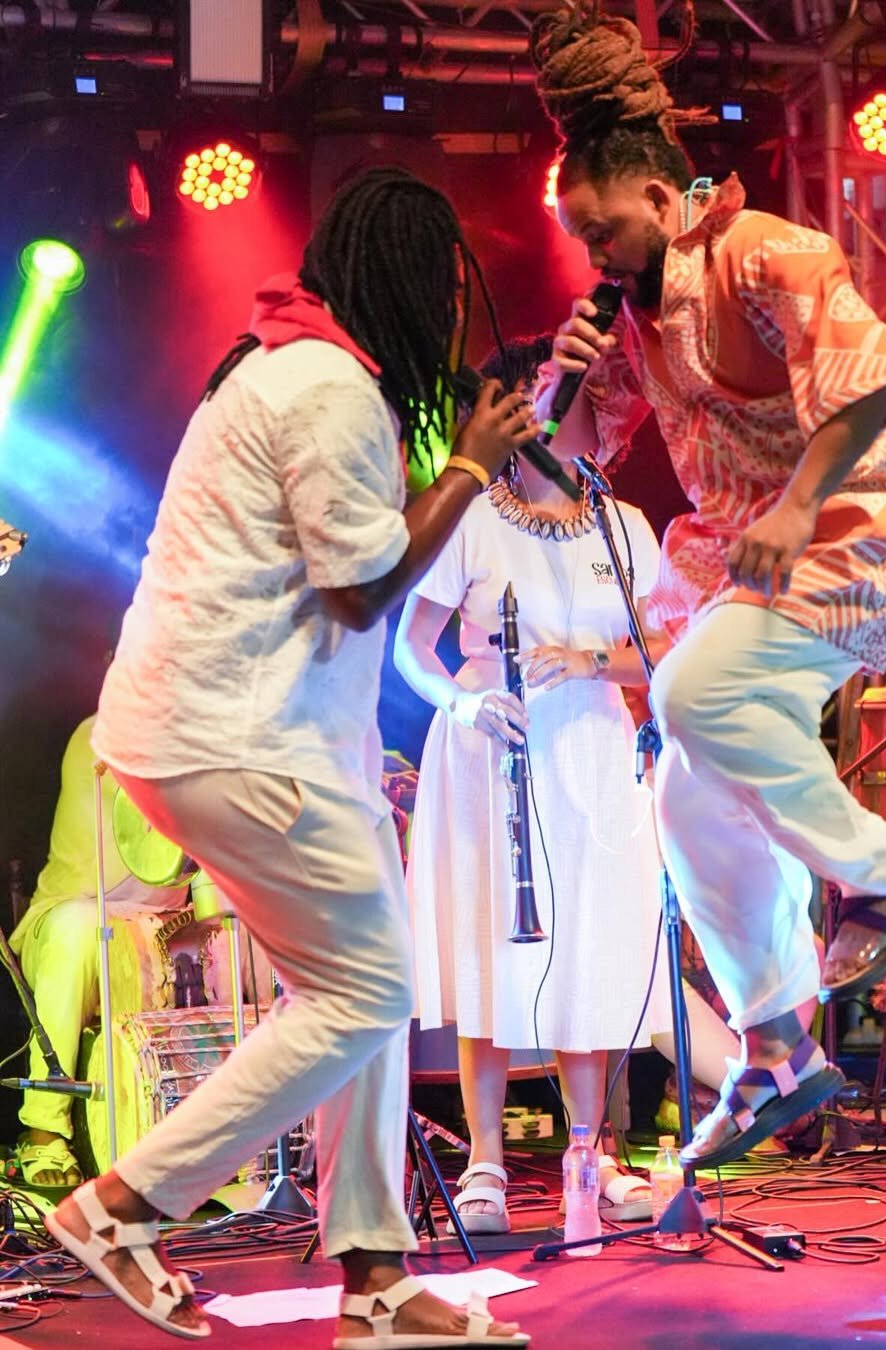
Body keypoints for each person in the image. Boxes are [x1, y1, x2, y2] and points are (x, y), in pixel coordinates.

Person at [44, 168, 533, 1347]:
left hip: (249, 731)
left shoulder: (295, 366)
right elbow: (363, 587)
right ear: (404, 283)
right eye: (444, 291)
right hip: (235, 735)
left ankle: (375, 1283)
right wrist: (468, 467)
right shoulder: (325, 388)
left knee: (360, 986)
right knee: (369, 989)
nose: (450, 318)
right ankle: (123, 1206)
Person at [527, 1, 886, 1170]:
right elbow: (567, 461)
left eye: (602, 228)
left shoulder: (765, 249)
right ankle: (777, 1050)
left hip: (859, 528)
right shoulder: (631, 319)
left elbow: (877, 381)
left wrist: (799, 504)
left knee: (690, 692)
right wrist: (562, 380)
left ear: (658, 198)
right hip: (757, 561)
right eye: (579, 238)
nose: (593, 253)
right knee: (683, 792)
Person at [396, 334, 670, 1233]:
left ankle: (590, 1154)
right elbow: (411, 649)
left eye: (573, 393)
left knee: (588, 947)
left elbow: (666, 651)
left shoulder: (625, 527)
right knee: (494, 952)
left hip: (592, 748)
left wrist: (591, 661)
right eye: (542, 395)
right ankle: (486, 1163)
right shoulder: (471, 517)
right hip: (491, 748)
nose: (561, 410)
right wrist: (464, 703)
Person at [10, 715, 216, 1189]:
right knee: (79, 930)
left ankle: (285, 1130)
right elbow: (151, 854)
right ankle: (44, 1130)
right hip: (75, 912)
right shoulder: (100, 736)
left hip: (169, 923)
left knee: (256, 935)